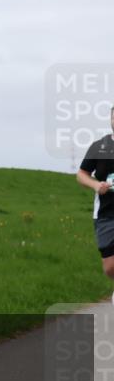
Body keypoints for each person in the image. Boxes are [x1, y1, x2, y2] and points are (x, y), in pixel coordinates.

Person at [76, 105, 114, 289]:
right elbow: (81, 174)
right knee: (110, 267)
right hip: (106, 213)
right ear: (111, 119)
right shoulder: (99, 147)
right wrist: (95, 185)